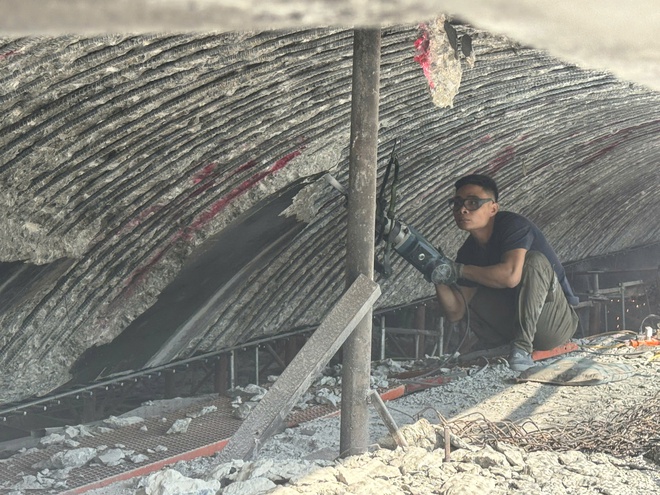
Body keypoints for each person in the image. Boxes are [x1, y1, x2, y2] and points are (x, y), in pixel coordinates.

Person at [433, 174, 579, 371]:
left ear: (493, 208)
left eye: (473, 202)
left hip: (553, 325)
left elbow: (510, 276)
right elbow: (456, 311)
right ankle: (497, 344)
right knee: (469, 285)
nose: (462, 209)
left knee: (534, 261)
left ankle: (522, 349)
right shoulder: (468, 252)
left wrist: (459, 270)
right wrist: (437, 274)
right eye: (457, 203)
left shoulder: (513, 226)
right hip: (509, 330)